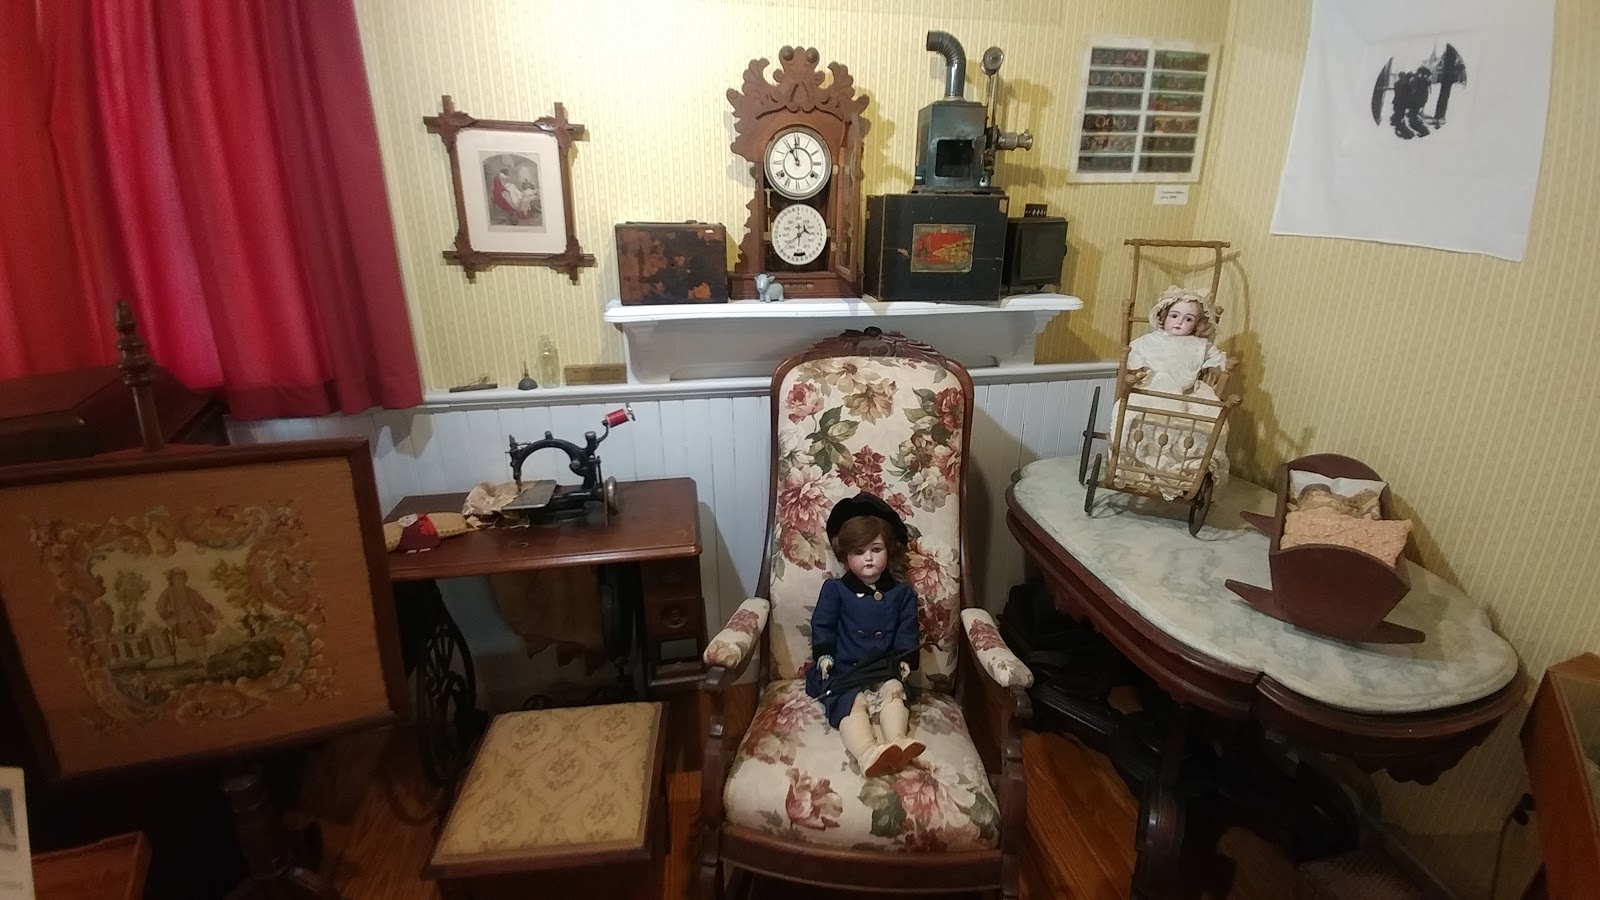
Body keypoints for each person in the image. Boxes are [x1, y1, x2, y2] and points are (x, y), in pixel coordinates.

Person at [804, 492, 924, 777]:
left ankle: (898, 741)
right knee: (852, 703)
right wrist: (824, 655)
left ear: (889, 550)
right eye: (858, 552)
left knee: (893, 692)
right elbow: (823, 625)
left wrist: (905, 658)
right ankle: (867, 752)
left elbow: (907, 628)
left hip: (884, 668)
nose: (868, 558)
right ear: (845, 556)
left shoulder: (901, 593)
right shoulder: (836, 590)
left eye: (876, 549)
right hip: (846, 670)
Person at [1113, 285, 1231, 499]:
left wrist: (1217, 367)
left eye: (1188, 319)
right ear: (1163, 316)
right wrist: (1138, 372)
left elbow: (1217, 359)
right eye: (1174, 316)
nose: (1179, 322)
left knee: (1208, 420)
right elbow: (1133, 358)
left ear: (1198, 324)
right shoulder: (1148, 341)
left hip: (1186, 392)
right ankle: (1138, 466)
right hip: (1151, 389)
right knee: (1133, 413)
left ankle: (1182, 470)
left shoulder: (1199, 345)